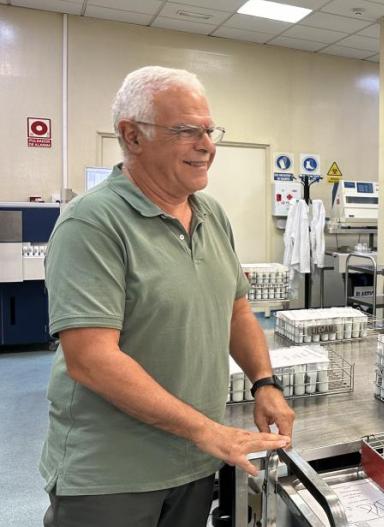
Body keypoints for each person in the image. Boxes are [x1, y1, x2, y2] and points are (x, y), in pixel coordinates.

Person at [39, 66, 295, 527]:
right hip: (112, 475)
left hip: (195, 463)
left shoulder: (211, 214)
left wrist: (264, 382)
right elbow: (91, 359)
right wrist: (207, 431)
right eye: (185, 130)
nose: (207, 145)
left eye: (209, 129)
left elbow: (235, 308)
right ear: (131, 136)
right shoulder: (92, 224)